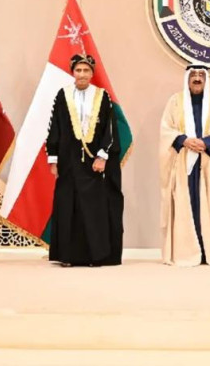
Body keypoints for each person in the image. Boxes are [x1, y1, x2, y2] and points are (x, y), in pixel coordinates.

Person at [46, 54, 123, 267]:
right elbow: (54, 127)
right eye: (78, 70)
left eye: (86, 71)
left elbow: (110, 129)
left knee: (93, 208)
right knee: (68, 206)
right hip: (68, 162)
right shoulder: (63, 95)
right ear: (73, 72)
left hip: (93, 163)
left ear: (92, 73)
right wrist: (53, 159)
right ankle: (68, 256)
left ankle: (94, 256)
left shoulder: (102, 96)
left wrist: (102, 156)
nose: (82, 74)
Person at [159, 65, 210, 266]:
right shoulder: (175, 102)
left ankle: (208, 252)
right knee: (186, 203)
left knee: (207, 205)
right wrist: (184, 140)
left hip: (207, 163)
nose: (197, 78)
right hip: (183, 162)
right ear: (187, 78)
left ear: (206, 79)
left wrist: (207, 143)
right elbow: (166, 129)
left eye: (201, 75)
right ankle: (186, 252)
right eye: (193, 75)